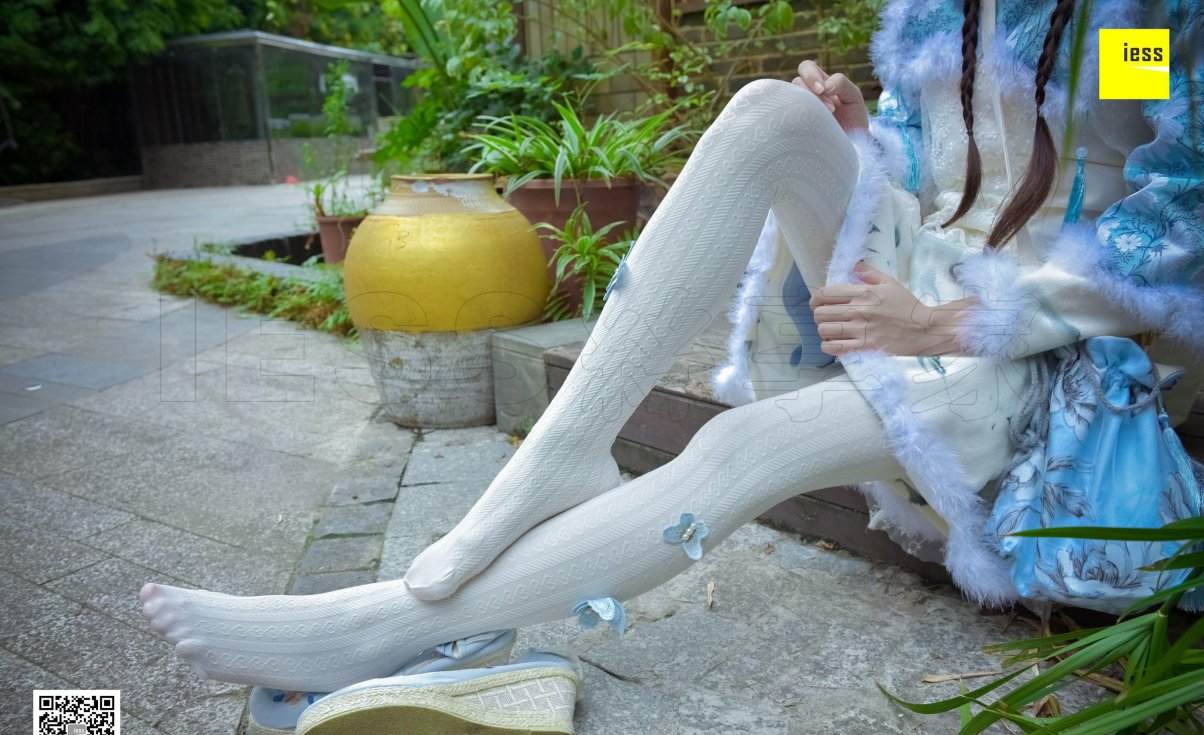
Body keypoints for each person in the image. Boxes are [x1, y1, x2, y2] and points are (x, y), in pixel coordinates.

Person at [141, 0, 1203, 696]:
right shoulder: (936, 11)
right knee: (769, 114)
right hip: (917, 283)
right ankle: (563, 454)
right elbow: (930, 177)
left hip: (1047, 357)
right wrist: (855, 135)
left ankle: (372, 629)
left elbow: (1167, 220)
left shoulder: (1132, 24)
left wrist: (948, 324)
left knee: (740, 446)